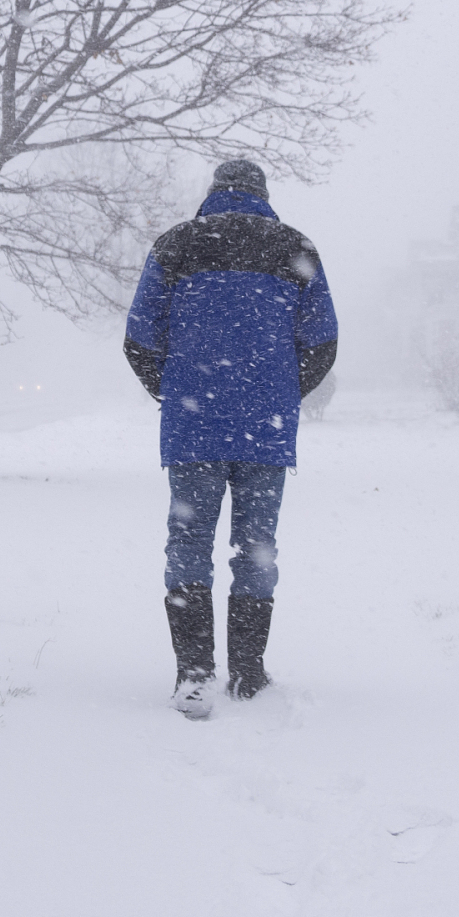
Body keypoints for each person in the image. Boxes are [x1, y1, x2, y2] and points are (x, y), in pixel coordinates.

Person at [123, 160, 338, 718]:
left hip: (194, 426)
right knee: (255, 547)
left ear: (213, 193)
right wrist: (283, 392)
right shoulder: (296, 247)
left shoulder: (175, 246)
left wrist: (174, 390)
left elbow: (140, 337)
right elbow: (322, 339)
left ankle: (194, 672)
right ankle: (247, 671)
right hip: (265, 429)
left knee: (189, 544)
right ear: (263, 195)